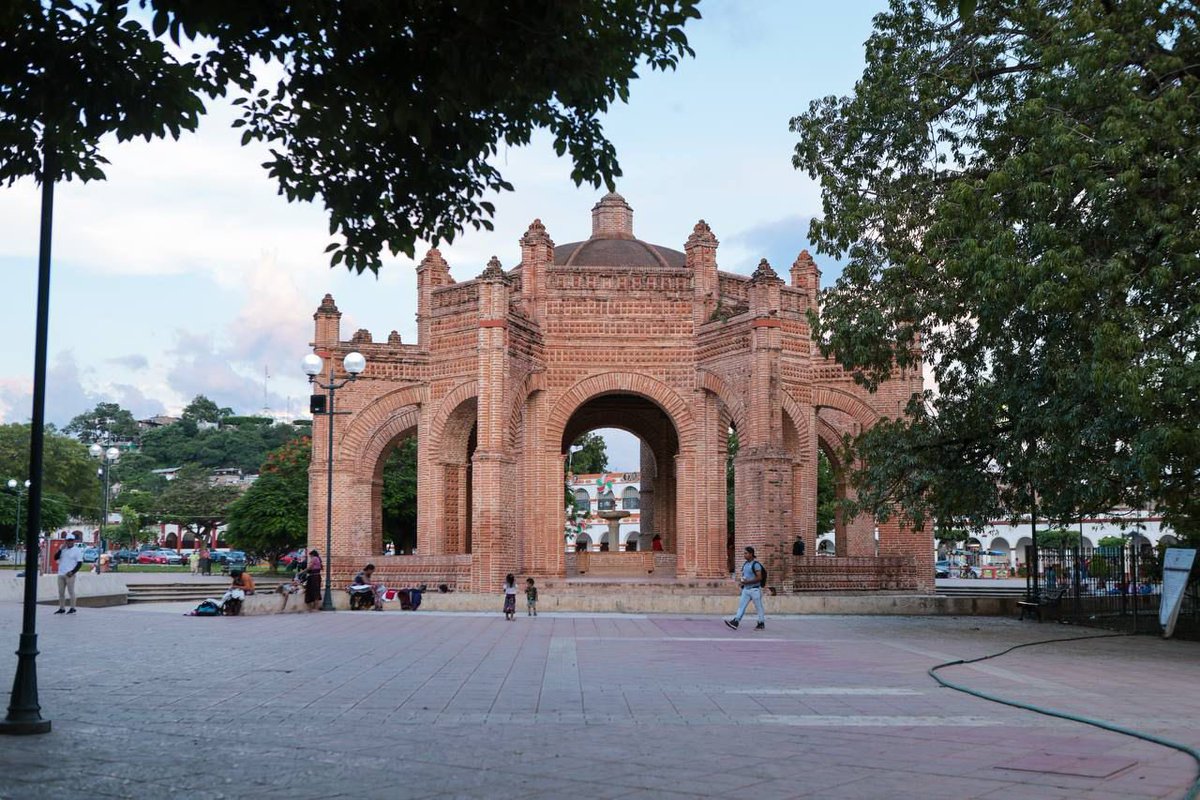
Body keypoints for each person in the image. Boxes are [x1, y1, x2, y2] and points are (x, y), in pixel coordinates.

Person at [724, 546, 766, 631]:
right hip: (746, 590)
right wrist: (742, 582)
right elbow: (745, 576)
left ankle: (761, 623)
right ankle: (736, 622)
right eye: (744, 553)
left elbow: (759, 578)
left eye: (746, 553)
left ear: (751, 554)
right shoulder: (745, 564)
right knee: (741, 606)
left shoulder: (756, 565)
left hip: (755, 590)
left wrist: (747, 582)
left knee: (759, 607)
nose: (744, 555)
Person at [55, 535, 85, 614]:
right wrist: (60, 549)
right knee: (61, 592)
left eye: (71, 540)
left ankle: (72, 608)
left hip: (70, 574)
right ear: (66, 541)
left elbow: (79, 563)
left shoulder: (77, 550)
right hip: (61, 573)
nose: (69, 542)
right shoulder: (63, 550)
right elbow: (55, 557)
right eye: (68, 540)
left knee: (71, 591)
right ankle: (62, 608)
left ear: (74, 541)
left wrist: (73, 572)